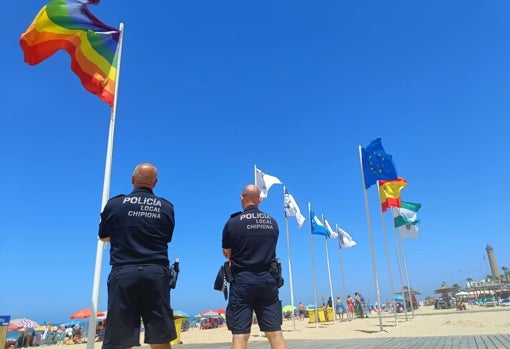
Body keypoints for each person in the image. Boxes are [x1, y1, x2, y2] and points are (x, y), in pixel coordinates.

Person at [99, 163, 176, 349]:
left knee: (119, 338)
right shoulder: (166, 207)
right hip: (156, 274)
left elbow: (103, 236)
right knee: (160, 336)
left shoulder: (115, 204)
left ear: (133, 179)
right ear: (155, 183)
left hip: (124, 273)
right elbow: (165, 237)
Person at [221, 184, 288, 349]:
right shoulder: (272, 222)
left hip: (242, 280)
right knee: (275, 333)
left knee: (240, 336)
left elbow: (227, 253)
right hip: (268, 279)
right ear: (259, 199)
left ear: (242, 198)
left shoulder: (233, 223)